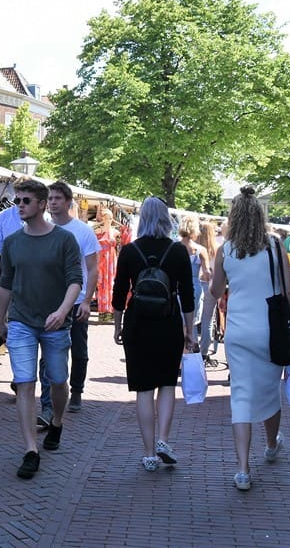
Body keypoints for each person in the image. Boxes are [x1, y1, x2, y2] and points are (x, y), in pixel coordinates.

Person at [209, 186, 290, 491]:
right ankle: (271, 444)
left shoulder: (226, 250)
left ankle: (243, 469)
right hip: (270, 329)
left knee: (241, 395)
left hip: (238, 331)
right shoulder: (274, 246)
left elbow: (215, 291)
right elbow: (289, 291)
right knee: (270, 390)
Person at [0, 179, 82, 480]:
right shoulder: (12, 242)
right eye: (17, 201)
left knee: (58, 380)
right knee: (24, 382)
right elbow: (6, 282)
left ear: (42, 204)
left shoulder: (64, 240)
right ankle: (31, 450)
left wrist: (62, 311)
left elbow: (75, 280)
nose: (19, 206)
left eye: (26, 201)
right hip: (22, 321)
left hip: (55, 323)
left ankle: (56, 421)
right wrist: (0, 318)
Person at [112, 197, 195, 472]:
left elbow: (119, 293)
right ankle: (163, 439)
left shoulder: (129, 250)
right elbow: (188, 295)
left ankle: (148, 453)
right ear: (166, 219)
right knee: (167, 384)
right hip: (168, 322)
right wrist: (190, 330)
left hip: (137, 323)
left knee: (144, 388)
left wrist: (117, 326)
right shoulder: (178, 251)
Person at [37, 182, 100, 425]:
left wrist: (87, 300)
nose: (53, 203)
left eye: (57, 198)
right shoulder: (41, 227)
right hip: (50, 300)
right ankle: (47, 403)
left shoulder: (83, 231)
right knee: (48, 351)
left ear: (67, 202)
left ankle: (76, 390)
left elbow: (92, 268)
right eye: (50, 198)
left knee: (79, 349)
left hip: (76, 300)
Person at [179, 215, 210, 347]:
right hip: (195, 287)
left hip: (178, 287)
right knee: (191, 324)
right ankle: (189, 350)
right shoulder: (201, 250)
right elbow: (207, 274)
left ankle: (179, 352)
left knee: (178, 322)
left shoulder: (175, 247)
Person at [197, 220, 221, 360]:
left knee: (193, 319)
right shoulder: (217, 249)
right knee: (208, 319)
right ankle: (204, 351)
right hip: (210, 285)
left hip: (197, 283)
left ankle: (192, 348)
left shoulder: (195, 248)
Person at [94, 207, 119, 324]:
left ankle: (110, 311)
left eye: (109, 218)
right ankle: (102, 311)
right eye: (105, 217)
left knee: (111, 284)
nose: (107, 220)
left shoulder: (115, 232)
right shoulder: (98, 231)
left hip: (111, 259)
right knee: (102, 284)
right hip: (102, 259)